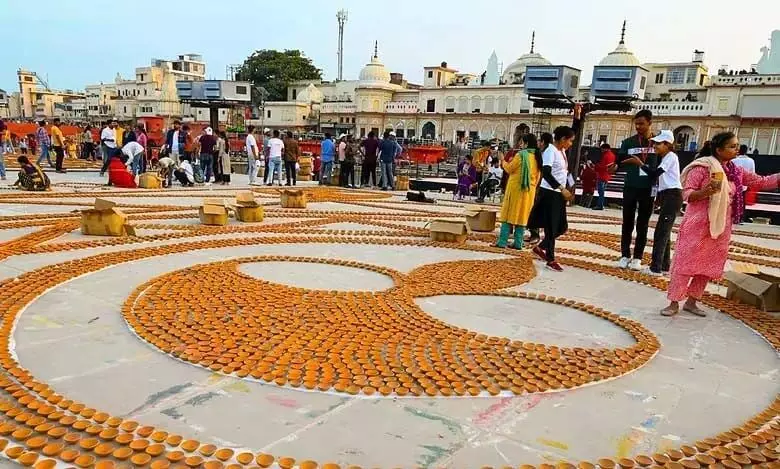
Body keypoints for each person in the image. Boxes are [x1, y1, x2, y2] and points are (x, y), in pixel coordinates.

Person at [661, 132, 779, 317]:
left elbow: (760, 181)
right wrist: (704, 192)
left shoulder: (735, 171)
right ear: (718, 149)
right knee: (685, 264)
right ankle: (674, 302)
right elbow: (687, 194)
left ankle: (692, 302)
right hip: (697, 224)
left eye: (737, 145)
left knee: (708, 265)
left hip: (721, 226)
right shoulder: (702, 168)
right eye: (732, 146)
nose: (736, 149)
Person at [529, 126, 576, 272]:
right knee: (552, 227)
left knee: (561, 227)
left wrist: (567, 187)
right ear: (562, 139)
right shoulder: (550, 151)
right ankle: (550, 258)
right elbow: (547, 173)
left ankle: (540, 247)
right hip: (550, 193)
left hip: (558, 194)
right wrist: (561, 189)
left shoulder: (561, 151)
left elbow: (562, 172)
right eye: (570, 141)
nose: (571, 144)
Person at [617, 109, 658, 271]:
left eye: (641, 124)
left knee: (642, 224)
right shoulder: (628, 142)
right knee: (627, 222)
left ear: (650, 123)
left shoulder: (658, 143)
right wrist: (616, 165)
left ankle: (638, 257)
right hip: (630, 186)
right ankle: (625, 254)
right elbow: (620, 161)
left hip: (648, 189)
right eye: (636, 124)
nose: (638, 127)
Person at [640, 130, 683, 276]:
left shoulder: (670, 157)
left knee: (661, 232)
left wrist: (640, 164)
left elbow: (654, 174)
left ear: (667, 144)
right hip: (667, 195)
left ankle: (655, 267)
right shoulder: (666, 157)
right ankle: (664, 265)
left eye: (658, 143)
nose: (655, 146)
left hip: (672, 195)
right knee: (665, 231)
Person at [496, 134, 540, 249]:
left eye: (522, 142)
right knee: (522, 216)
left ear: (526, 143)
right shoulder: (537, 156)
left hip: (516, 190)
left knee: (508, 215)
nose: (520, 145)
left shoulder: (521, 155)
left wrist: (502, 160)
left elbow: (509, 169)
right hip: (529, 191)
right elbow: (538, 177)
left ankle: (502, 242)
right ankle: (518, 243)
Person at [526, 132, 554, 245]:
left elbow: (543, 171)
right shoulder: (541, 153)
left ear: (543, 142)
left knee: (536, 210)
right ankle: (533, 233)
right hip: (537, 185)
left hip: (540, 186)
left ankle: (535, 234)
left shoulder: (546, 153)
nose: (538, 143)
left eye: (540, 141)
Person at [732, 144, 756, 223]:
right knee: (742, 202)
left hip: (733, 184)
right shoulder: (751, 161)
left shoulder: (733, 160)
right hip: (744, 185)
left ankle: (732, 217)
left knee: (733, 201)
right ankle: (741, 217)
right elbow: (752, 174)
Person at [593, 143, 616, 210]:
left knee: (601, 192)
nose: (601, 150)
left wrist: (596, 166)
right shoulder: (612, 155)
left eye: (602, 149)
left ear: (605, 148)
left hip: (602, 175)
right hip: (607, 175)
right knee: (602, 191)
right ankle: (601, 205)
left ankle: (600, 205)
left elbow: (603, 166)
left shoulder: (606, 155)